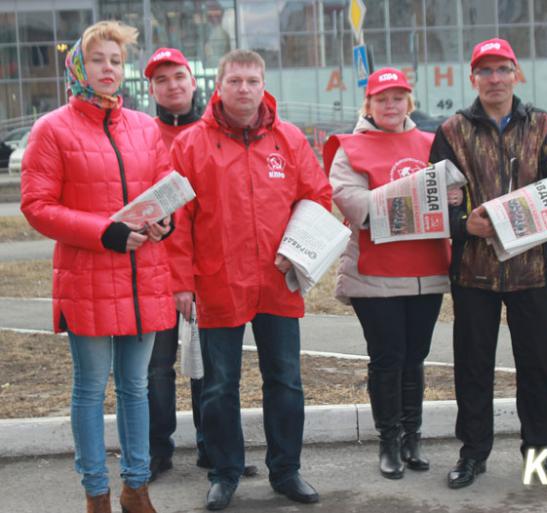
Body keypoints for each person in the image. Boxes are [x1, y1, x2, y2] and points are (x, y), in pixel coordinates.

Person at [21, 21, 175, 513]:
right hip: (87, 276)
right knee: (90, 388)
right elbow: (37, 205)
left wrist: (164, 221)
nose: (108, 69)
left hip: (142, 276)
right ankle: (96, 493)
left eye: (115, 60)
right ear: (78, 66)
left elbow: (165, 186)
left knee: (135, 386)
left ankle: (136, 487)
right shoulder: (51, 129)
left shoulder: (146, 127)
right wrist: (103, 231)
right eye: (97, 60)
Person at [167, 49, 330, 510]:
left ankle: (287, 470)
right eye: (235, 80)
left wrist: (302, 252)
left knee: (286, 380)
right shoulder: (192, 145)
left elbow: (317, 196)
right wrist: (182, 283)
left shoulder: (290, 139)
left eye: (252, 81)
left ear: (264, 85)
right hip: (217, 282)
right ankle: (224, 472)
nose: (244, 89)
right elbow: (177, 220)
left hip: (278, 281)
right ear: (218, 85)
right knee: (219, 385)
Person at [429, 38, 547, 489]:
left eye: (502, 69)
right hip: (472, 273)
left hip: (530, 272)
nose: (495, 79)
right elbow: (434, 198)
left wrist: (512, 216)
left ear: (518, 74)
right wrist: (463, 224)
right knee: (472, 368)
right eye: (486, 71)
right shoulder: (452, 131)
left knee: (538, 367)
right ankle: (473, 454)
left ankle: (540, 453)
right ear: (472, 78)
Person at [324, 68, 460, 480]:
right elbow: (350, 200)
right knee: (387, 359)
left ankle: (411, 438)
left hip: (427, 270)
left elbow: (453, 192)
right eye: (382, 98)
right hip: (375, 274)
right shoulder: (351, 147)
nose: (390, 105)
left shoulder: (430, 142)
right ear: (368, 104)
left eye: (398, 98)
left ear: (409, 102)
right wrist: (415, 198)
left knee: (415, 358)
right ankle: (388, 440)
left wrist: (451, 196)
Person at [143, 47, 258, 482]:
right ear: (151, 89)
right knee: (158, 366)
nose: (172, 85)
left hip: (205, 272)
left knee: (205, 365)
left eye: (179, 77)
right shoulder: (142, 133)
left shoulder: (216, 133)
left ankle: (214, 447)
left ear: (195, 83)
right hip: (152, 269)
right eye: (161, 79)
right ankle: (158, 450)